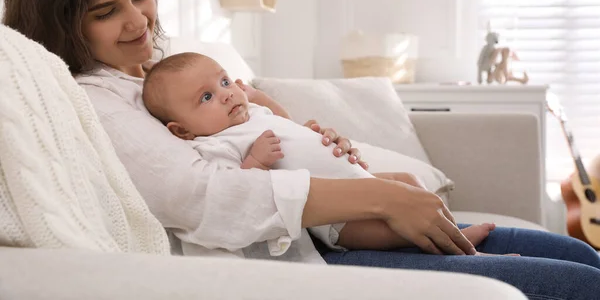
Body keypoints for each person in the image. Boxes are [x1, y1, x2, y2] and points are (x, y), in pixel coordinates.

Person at [3, 0, 599, 298]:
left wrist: (313, 142)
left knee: (577, 257)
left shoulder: (162, 72)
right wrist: (379, 194)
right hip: (308, 256)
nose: (138, 22)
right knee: (571, 284)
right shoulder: (95, 101)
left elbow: (254, 139)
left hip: (346, 221)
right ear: (61, 20)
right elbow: (203, 194)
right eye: (107, 12)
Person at [141, 52, 499, 254]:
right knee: (398, 234)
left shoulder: (248, 114)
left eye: (223, 82)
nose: (226, 94)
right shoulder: (214, 144)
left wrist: (304, 128)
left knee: (410, 182)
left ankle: (455, 233)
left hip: (359, 182)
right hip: (336, 221)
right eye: (206, 98)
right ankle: (468, 252)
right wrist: (256, 162)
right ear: (182, 130)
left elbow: (285, 123)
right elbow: (235, 192)